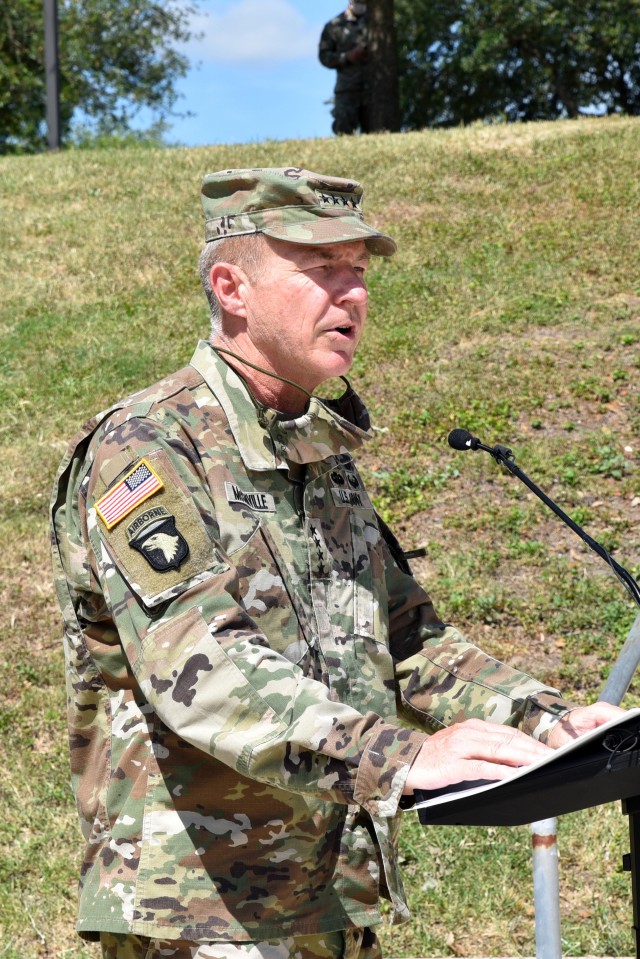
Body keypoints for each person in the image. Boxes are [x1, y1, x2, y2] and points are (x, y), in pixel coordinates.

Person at [51, 166, 622, 959]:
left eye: (358, 270)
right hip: (199, 915)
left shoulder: (320, 455)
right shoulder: (146, 446)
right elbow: (203, 669)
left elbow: (409, 640)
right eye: (322, 270)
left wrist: (546, 718)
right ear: (231, 287)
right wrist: (403, 754)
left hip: (331, 901)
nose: (352, 293)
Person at [319, 1, 369, 135]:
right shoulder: (334, 26)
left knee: (379, 134)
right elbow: (324, 56)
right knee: (344, 132)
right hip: (348, 89)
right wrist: (346, 57)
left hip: (374, 91)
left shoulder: (376, 23)